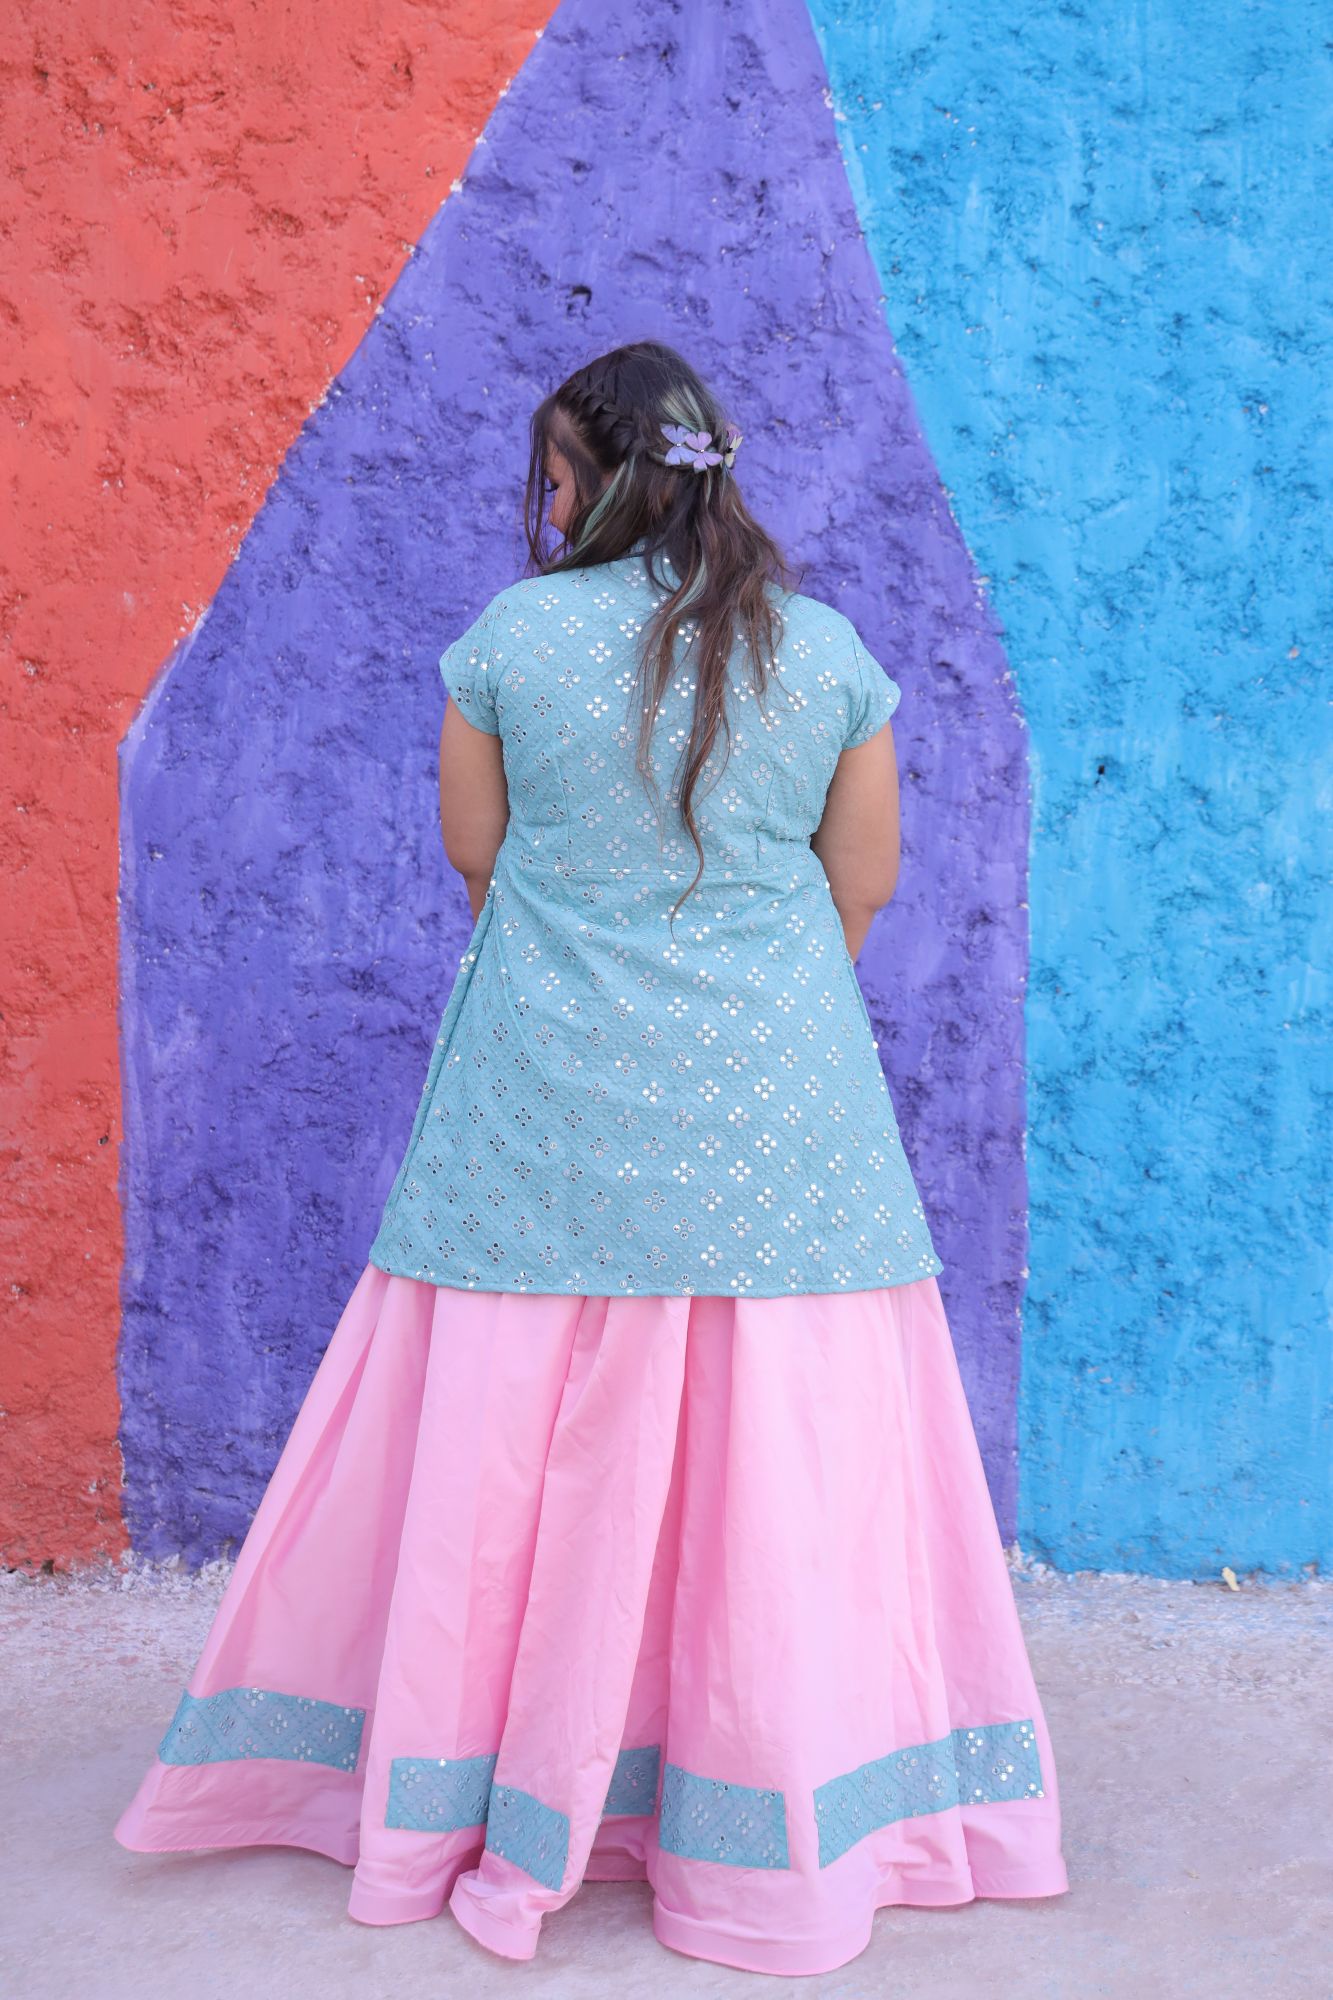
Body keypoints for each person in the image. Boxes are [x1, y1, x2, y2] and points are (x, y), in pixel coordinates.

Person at [114, 339, 1068, 1976]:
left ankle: (483, 1796)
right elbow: (867, 883)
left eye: (549, 477)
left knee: (513, 1455)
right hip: (786, 1129)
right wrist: (744, 1007)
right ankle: (763, 1818)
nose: (538, 505)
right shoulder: (825, 652)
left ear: (600, 480)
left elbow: (479, 856)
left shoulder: (508, 641)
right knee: (775, 1469)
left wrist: (596, 955)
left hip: (538, 1113)